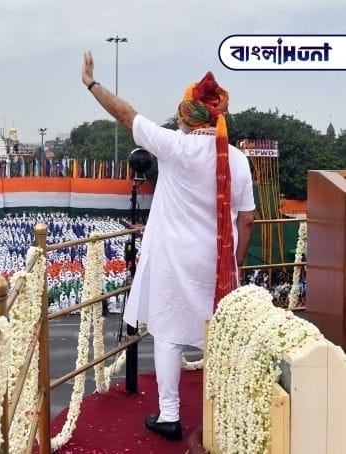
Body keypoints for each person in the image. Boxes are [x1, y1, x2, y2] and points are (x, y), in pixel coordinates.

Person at [82, 51, 255, 441]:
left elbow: (126, 115)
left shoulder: (176, 147)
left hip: (174, 261)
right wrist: (236, 262)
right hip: (220, 262)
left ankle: (171, 415)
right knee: (221, 335)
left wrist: (91, 83)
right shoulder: (239, 160)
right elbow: (248, 219)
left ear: (187, 118)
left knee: (169, 335)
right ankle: (222, 412)